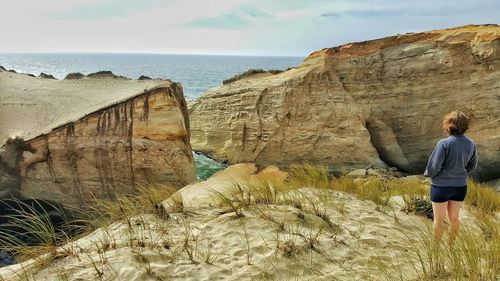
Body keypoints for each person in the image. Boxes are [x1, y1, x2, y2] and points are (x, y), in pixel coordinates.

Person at [424, 110, 477, 241]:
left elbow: (434, 166)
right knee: (454, 219)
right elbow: (472, 165)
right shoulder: (470, 143)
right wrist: (460, 172)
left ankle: (436, 251)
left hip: (441, 187)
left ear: (449, 125)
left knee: (439, 220)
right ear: (465, 126)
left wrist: (430, 175)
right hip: (460, 187)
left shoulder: (444, 143)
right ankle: (451, 248)